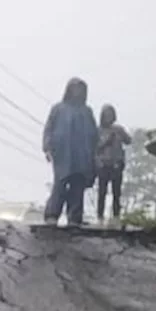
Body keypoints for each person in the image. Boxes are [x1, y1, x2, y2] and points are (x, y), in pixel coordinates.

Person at [42, 77, 98, 226]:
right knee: (60, 183)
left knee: (78, 185)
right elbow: (48, 129)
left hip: (82, 155)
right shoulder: (58, 109)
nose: (77, 92)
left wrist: (94, 155)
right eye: (75, 88)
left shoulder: (87, 111)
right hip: (62, 153)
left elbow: (94, 135)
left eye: (81, 89)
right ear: (69, 90)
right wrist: (47, 147)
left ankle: (74, 217)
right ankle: (52, 215)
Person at [95, 104, 132, 224]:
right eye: (106, 115)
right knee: (102, 192)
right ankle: (100, 216)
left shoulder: (118, 129)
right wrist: (106, 141)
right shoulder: (98, 131)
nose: (108, 117)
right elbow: (94, 148)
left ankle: (116, 216)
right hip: (103, 164)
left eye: (111, 115)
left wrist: (121, 135)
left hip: (116, 164)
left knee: (117, 192)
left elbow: (129, 141)